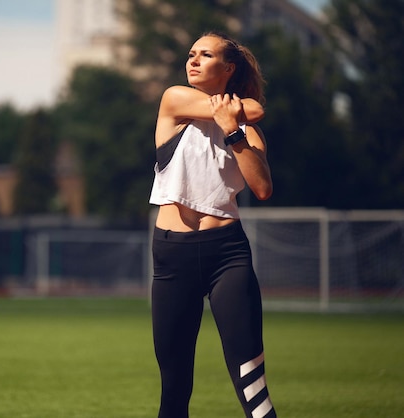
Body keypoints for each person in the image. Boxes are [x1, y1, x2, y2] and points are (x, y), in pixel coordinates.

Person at [149, 31, 277, 418]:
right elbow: (253, 107)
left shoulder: (247, 132)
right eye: (191, 54)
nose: (193, 60)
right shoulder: (175, 101)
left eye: (205, 55)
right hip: (173, 255)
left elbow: (263, 187)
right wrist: (233, 114)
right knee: (174, 388)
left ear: (228, 68)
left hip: (228, 255)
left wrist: (233, 132)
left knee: (251, 383)